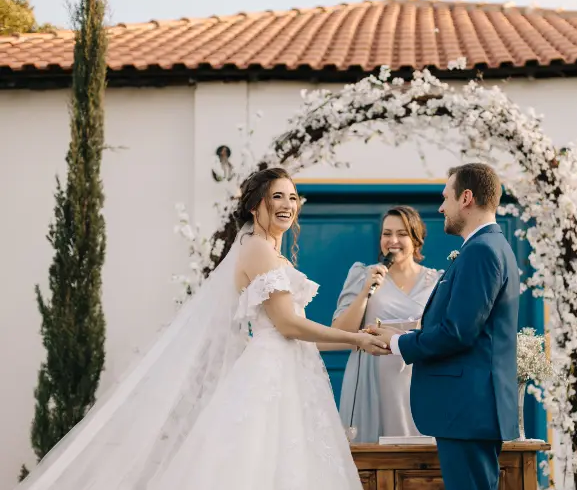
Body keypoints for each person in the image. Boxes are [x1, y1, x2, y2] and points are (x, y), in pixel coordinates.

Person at [16, 168, 388, 490]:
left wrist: (352, 338)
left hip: (291, 371)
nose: (288, 204)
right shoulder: (257, 249)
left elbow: (296, 336)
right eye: (277, 196)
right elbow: (288, 325)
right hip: (270, 378)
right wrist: (354, 338)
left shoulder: (269, 252)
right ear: (254, 205)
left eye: (293, 197)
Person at [368, 163, 520, 490]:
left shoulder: (481, 251)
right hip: (467, 411)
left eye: (446, 197)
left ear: (466, 198)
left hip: (467, 410)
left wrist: (398, 343)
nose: (441, 207)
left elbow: (458, 332)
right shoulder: (487, 247)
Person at [332, 206, 442, 442]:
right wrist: (365, 292)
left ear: (416, 238)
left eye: (402, 234)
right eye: (386, 233)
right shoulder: (363, 274)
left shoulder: (437, 281)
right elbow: (341, 332)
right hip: (370, 378)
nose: (393, 240)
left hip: (417, 378)